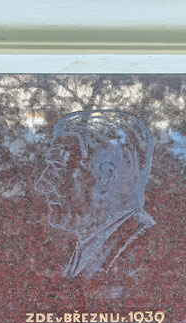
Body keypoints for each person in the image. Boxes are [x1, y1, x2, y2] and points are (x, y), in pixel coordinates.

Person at [35, 109, 156, 279]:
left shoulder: (144, 251)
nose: (41, 184)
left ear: (105, 176)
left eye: (57, 167)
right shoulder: (87, 244)